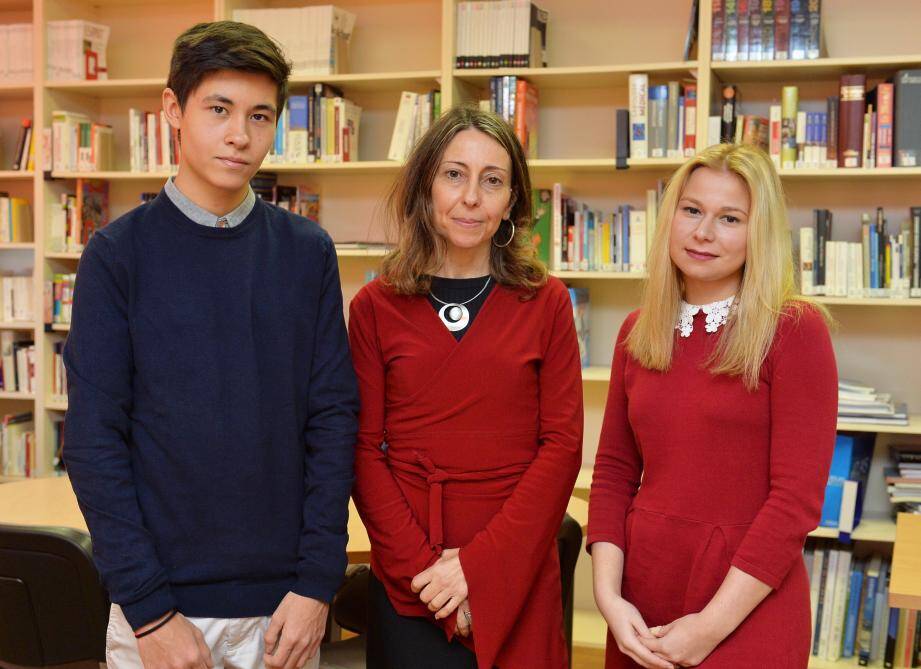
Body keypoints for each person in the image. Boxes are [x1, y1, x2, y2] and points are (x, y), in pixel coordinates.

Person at [64, 21, 359, 669]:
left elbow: (332, 421)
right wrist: (150, 610)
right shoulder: (117, 256)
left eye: (260, 116)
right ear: (173, 109)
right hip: (160, 615)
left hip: (284, 607)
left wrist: (315, 585)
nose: (239, 135)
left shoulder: (306, 252)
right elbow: (92, 442)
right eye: (218, 109)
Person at [348, 105, 584, 669]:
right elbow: (361, 450)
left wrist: (480, 569)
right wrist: (429, 576)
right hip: (412, 576)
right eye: (454, 174)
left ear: (511, 204)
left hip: (516, 565)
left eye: (493, 180)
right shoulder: (374, 308)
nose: (472, 197)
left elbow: (563, 447)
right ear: (425, 187)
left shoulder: (547, 302)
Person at [587, 143, 838, 668]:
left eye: (729, 218)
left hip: (744, 605)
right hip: (641, 599)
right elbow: (613, 472)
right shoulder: (639, 330)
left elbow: (795, 502)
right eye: (692, 210)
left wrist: (708, 629)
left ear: (759, 232)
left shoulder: (794, 329)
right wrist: (609, 600)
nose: (703, 233)